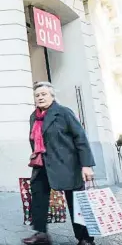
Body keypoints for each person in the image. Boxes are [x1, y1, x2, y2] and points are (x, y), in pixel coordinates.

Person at [22, 82, 95, 245]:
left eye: (44, 94)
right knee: (38, 196)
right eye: (37, 95)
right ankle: (41, 234)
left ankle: (85, 238)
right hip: (42, 165)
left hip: (67, 164)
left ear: (52, 96)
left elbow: (80, 138)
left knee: (76, 201)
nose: (40, 97)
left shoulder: (63, 113)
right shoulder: (34, 116)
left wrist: (86, 164)